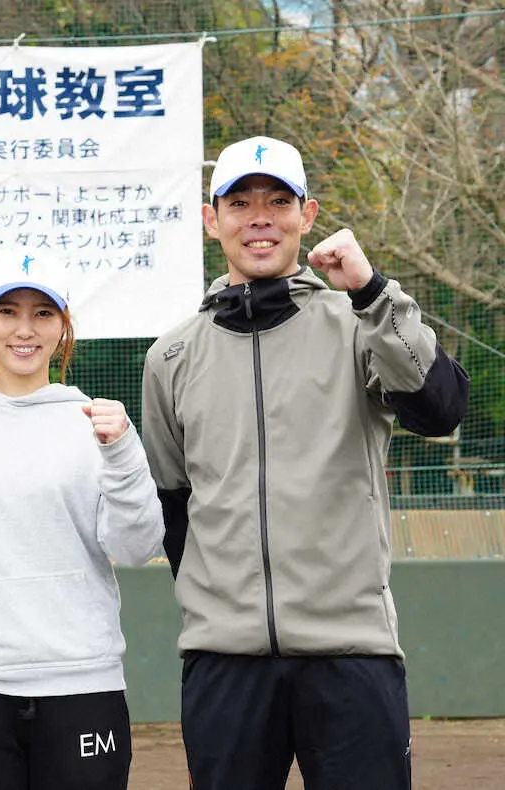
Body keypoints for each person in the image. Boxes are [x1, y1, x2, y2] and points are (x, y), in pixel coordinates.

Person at [141, 135, 470, 789]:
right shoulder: (170, 357)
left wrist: (372, 291)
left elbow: (441, 408)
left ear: (307, 215)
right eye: (240, 202)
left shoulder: (360, 325)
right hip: (225, 663)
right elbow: (173, 504)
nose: (259, 216)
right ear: (212, 220)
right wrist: (219, 611)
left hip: (352, 652)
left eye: (277, 200)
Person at [0, 251, 165, 790]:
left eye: (43, 313)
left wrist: (119, 452)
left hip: (82, 686)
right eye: (7, 312)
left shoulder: (102, 427)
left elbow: (137, 546)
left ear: (63, 328)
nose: (24, 329)